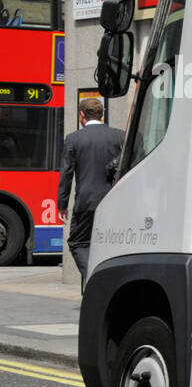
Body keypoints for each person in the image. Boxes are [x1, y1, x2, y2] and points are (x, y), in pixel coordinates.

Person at [58, 98, 124, 286]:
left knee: (78, 242)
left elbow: (66, 174)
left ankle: (94, 279)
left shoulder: (74, 139)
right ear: (101, 114)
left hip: (86, 202)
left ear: (81, 115)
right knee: (112, 243)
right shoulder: (119, 136)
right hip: (114, 202)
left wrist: (62, 204)